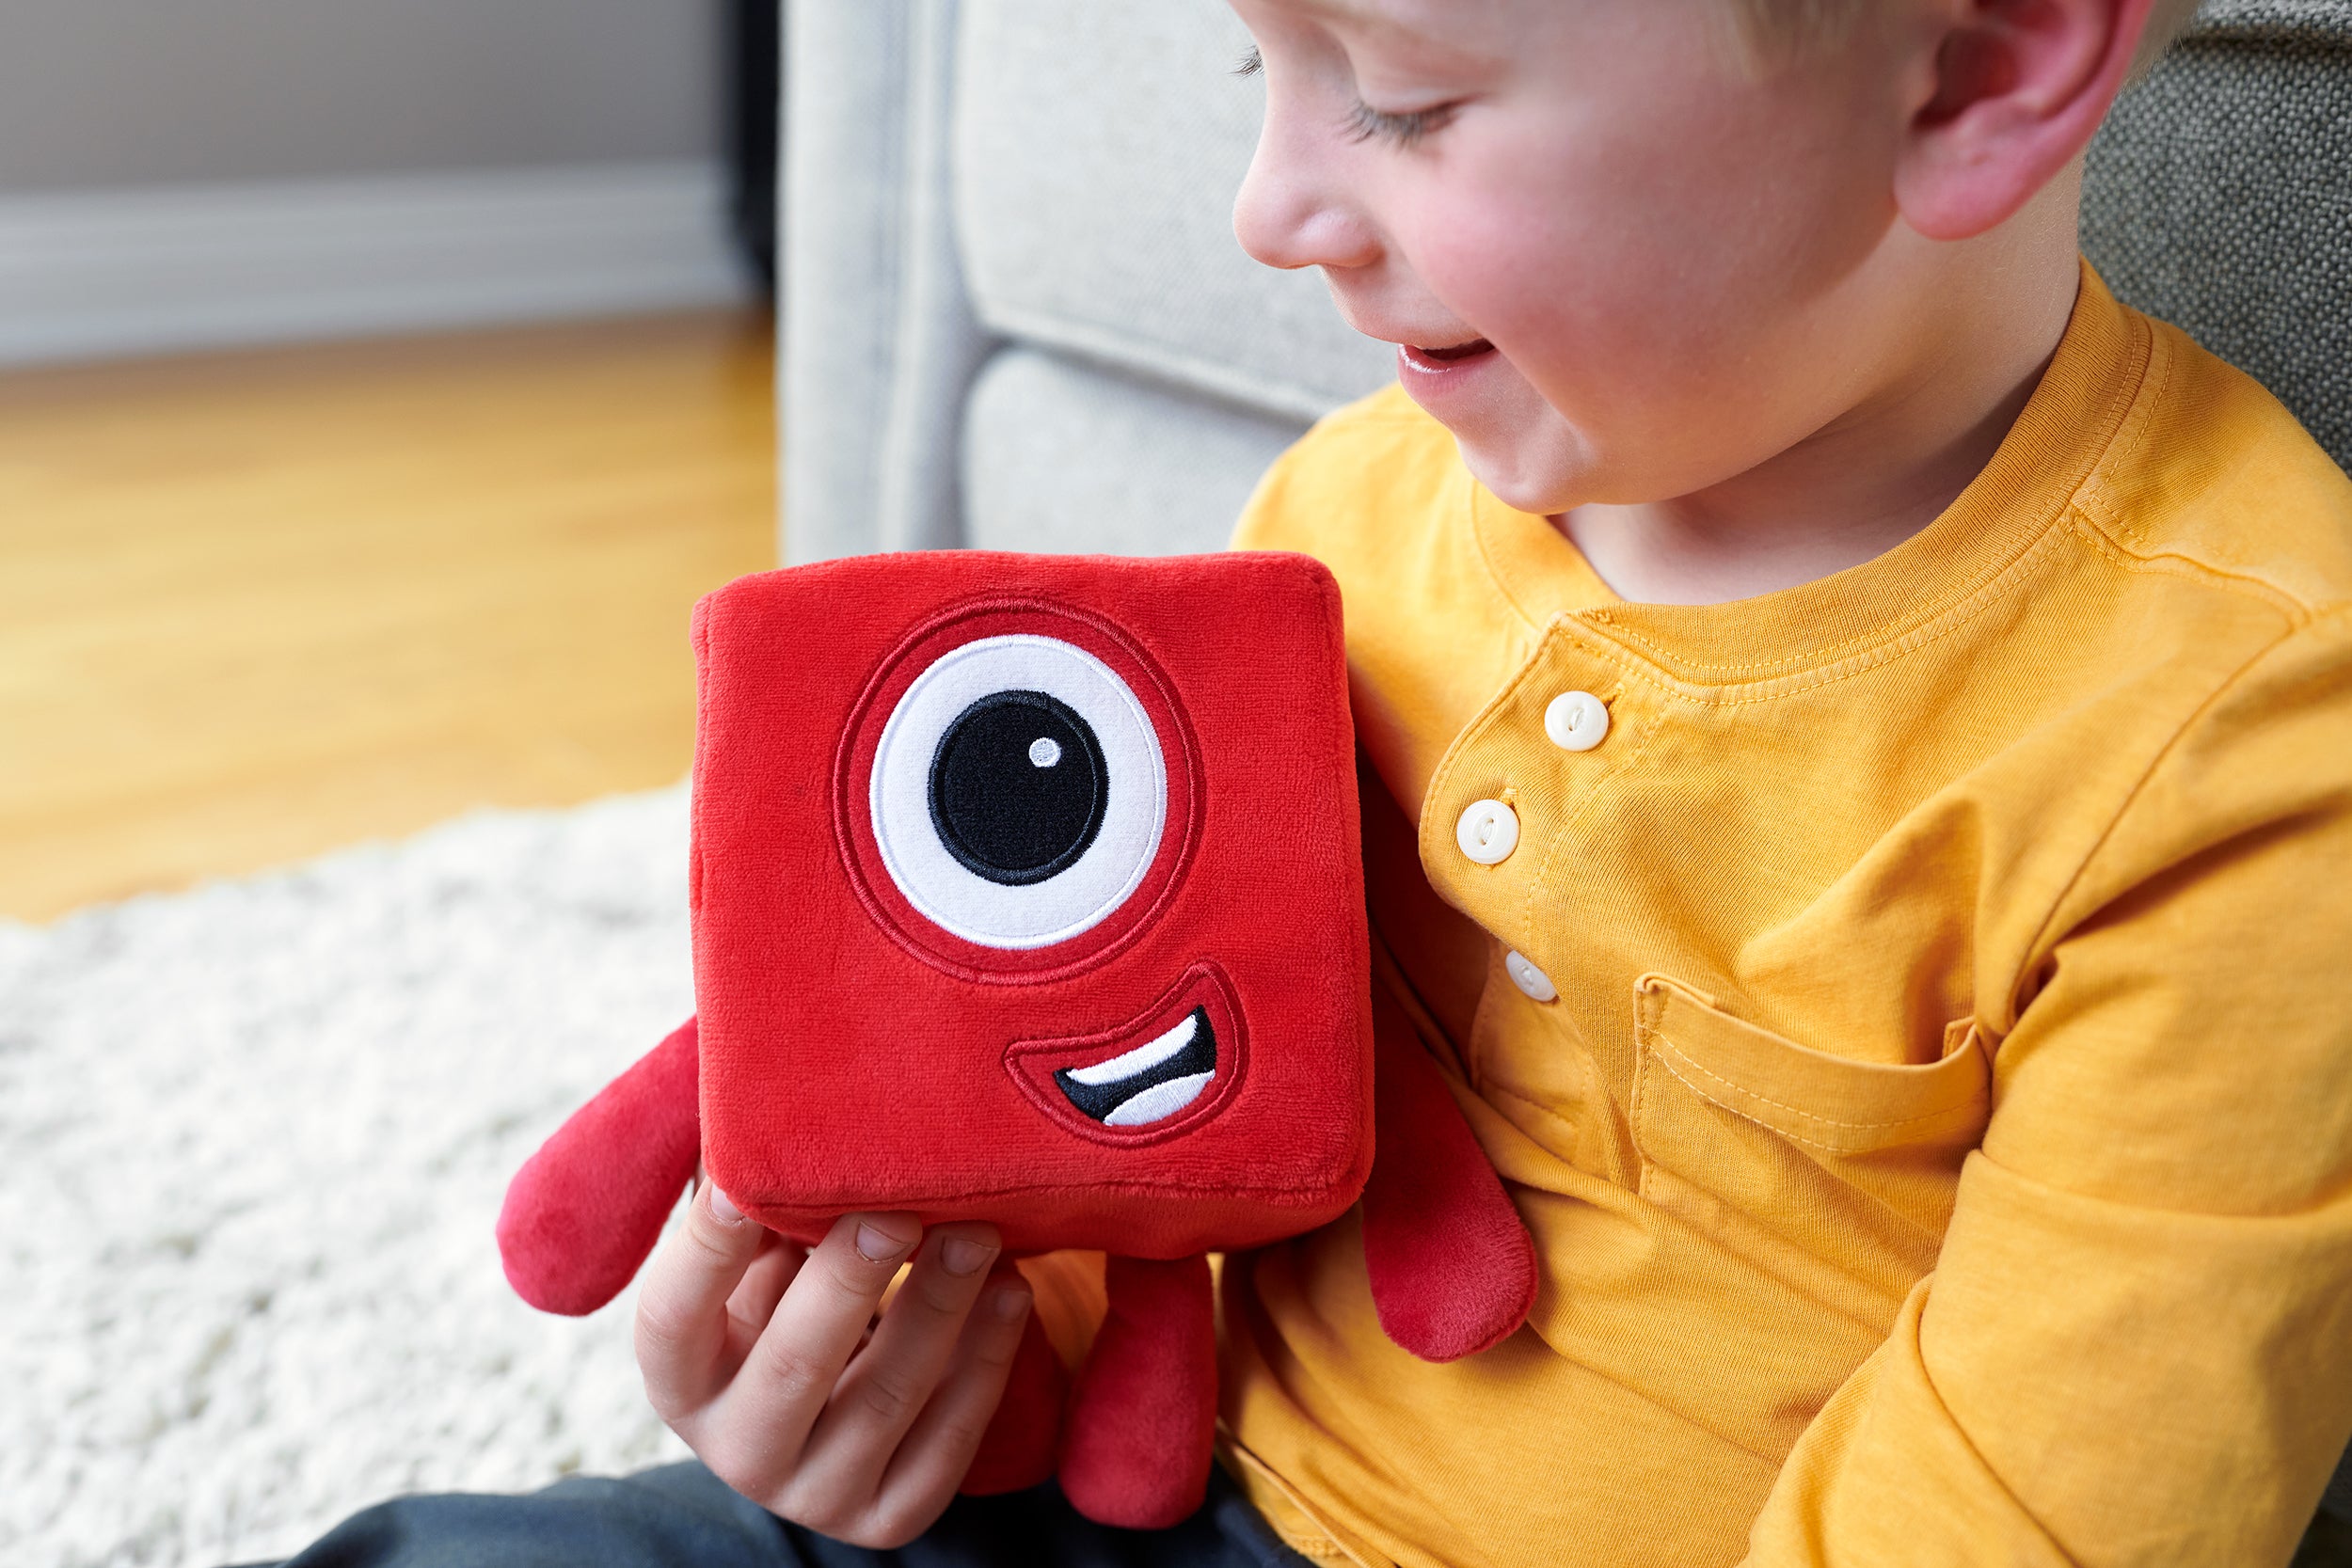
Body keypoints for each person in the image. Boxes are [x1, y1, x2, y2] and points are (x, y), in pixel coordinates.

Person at [281, 0, 2352, 1563]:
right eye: (1248, 68)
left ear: (1972, 70)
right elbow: (1154, 1133)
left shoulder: (2248, 732)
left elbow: (2019, 1516)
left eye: (1406, 99)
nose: (1268, 210)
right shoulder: (1348, 509)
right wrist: (933, 1382)